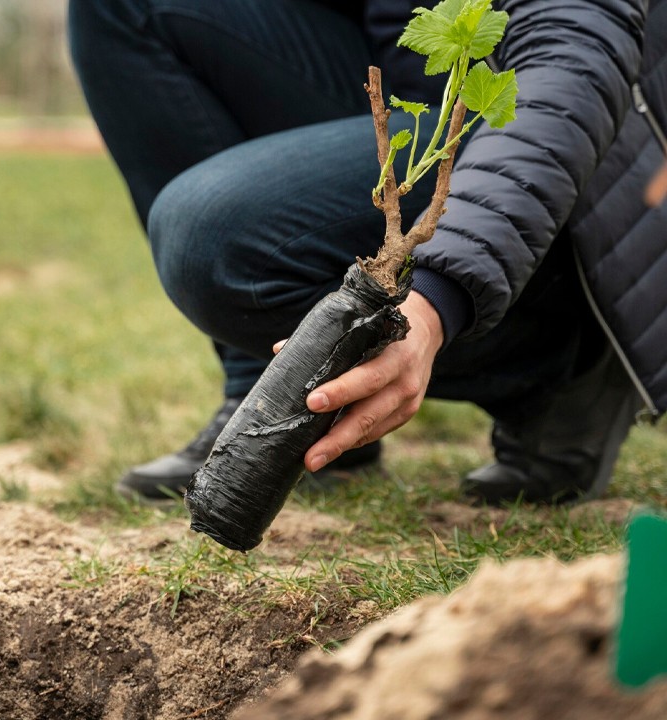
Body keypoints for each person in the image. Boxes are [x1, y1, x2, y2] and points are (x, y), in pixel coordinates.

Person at [67, 0, 667, 504]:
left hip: (566, 145)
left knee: (209, 234)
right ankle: (281, 398)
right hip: (409, 99)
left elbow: (570, 69)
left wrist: (435, 303)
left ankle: (566, 366)